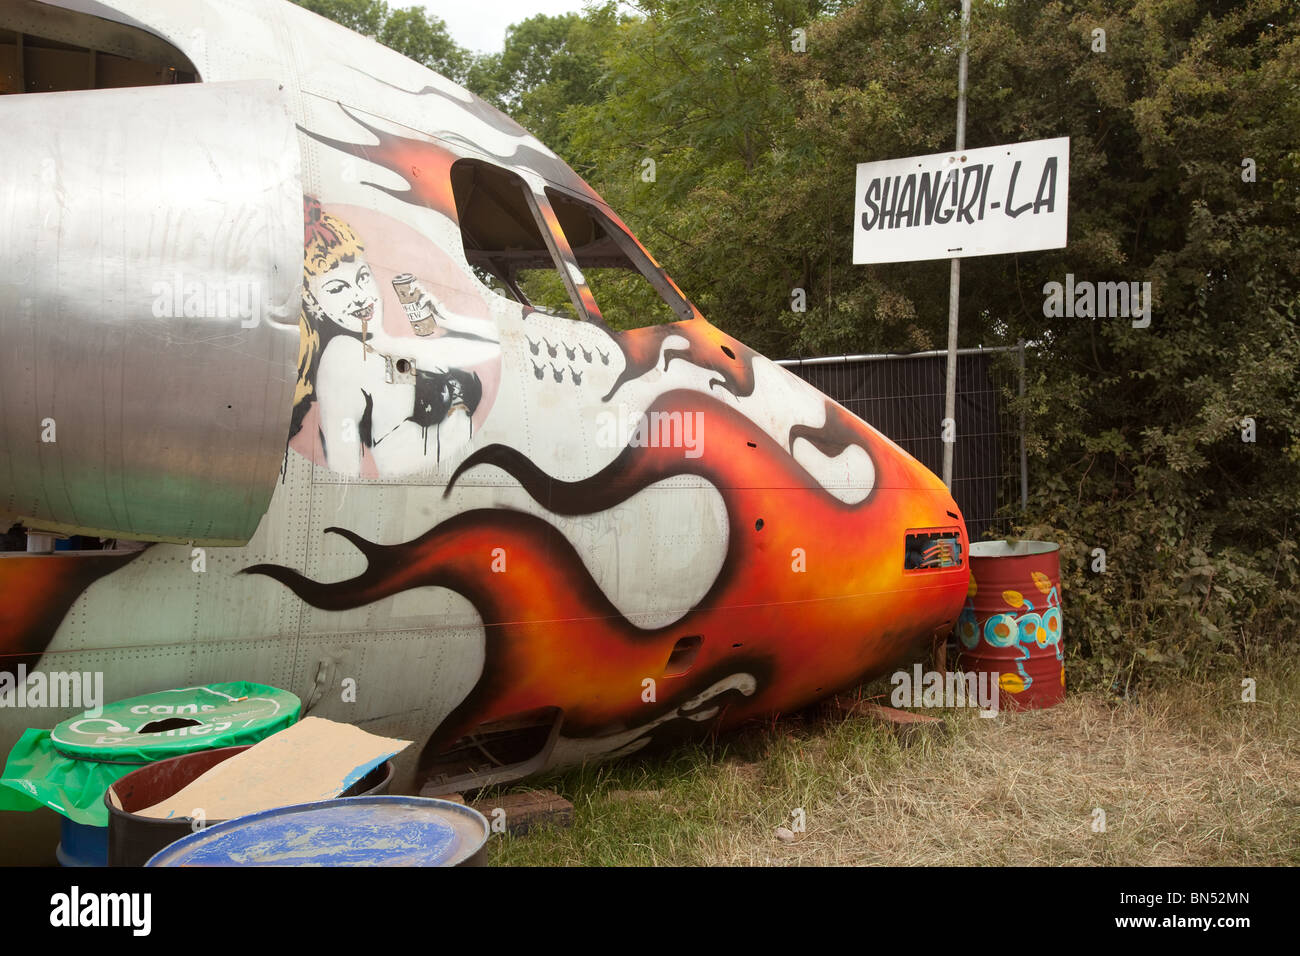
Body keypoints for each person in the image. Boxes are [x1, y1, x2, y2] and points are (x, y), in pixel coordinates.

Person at [293, 198, 500, 475]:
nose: (360, 297)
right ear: (311, 299)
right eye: (336, 289)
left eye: (363, 278)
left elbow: (487, 349)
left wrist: (448, 319)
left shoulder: (377, 349)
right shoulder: (343, 355)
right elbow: (344, 463)